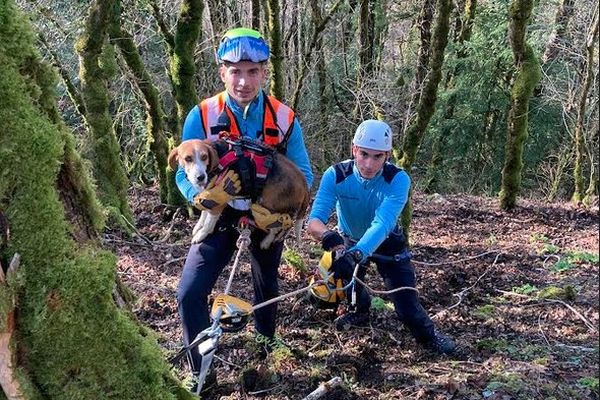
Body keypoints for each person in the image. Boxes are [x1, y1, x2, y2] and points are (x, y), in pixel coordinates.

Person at [175, 27, 313, 391]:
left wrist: (285, 211)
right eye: (235, 71)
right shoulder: (202, 114)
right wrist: (200, 196)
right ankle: (201, 373)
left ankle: (265, 352)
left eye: (253, 71)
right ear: (222, 72)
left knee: (265, 283)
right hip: (219, 213)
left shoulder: (284, 118)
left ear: (264, 72)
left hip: (268, 214)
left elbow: (305, 173)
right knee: (190, 292)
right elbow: (182, 168)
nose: (243, 80)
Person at [306, 119, 455, 355]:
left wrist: (357, 254)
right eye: (364, 154)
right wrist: (328, 237)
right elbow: (314, 220)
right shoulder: (335, 175)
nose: (369, 164)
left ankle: (429, 337)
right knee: (348, 285)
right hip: (349, 240)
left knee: (406, 306)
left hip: (388, 243)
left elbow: (383, 223)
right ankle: (359, 311)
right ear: (353, 149)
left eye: (378, 157)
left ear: (387, 155)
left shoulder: (398, 179)